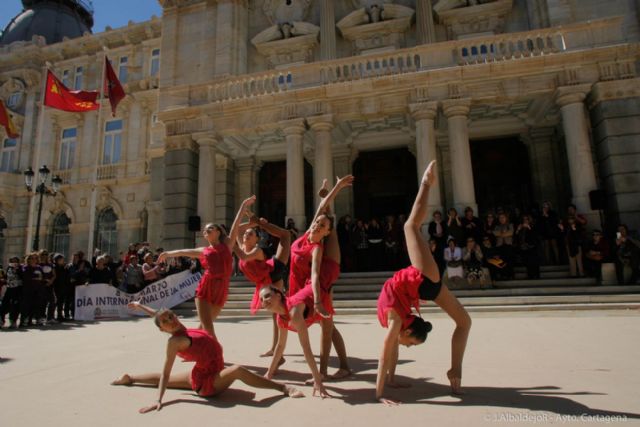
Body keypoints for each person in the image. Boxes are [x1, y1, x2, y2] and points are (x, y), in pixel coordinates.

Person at [376, 161, 471, 405]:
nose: (407, 347)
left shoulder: (398, 323)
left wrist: (382, 393)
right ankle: (455, 371)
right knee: (410, 226)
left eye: (409, 344)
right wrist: (388, 385)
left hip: (428, 285)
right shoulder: (398, 323)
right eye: (411, 344)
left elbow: (385, 356)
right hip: (427, 283)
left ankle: (426, 184)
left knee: (465, 322)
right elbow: (390, 353)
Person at [111, 301, 303, 413]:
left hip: (200, 373)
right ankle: (283, 388)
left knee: (169, 381)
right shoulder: (175, 341)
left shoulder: (178, 327)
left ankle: (130, 378)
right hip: (209, 381)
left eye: (171, 316)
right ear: (162, 330)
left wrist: (140, 305)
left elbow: (158, 314)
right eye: (166, 322)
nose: (172, 320)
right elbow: (165, 372)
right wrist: (158, 400)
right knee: (236, 370)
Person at [158, 196, 253, 338]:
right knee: (208, 326)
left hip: (221, 288)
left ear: (218, 232)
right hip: (205, 287)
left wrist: (243, 205)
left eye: (210, 229)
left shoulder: (227, 245)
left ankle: (189, 345)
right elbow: (184, 252)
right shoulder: (204, 251)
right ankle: (216, 355)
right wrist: (167, 253)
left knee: (204, 325)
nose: (206, 231)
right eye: (205, 230)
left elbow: (235, 224)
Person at [234, 211, 291, 357]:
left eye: (251, 234)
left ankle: (276, 348)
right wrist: (252, 223)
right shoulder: (242, 245)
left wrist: (229, 242)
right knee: (275, 314)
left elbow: (244, 257)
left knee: (286, 236)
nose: (246, 235)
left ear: (257, 239)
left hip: (275, 270)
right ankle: (275, 348)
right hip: (264, 279)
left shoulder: (257, 250)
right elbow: (237, 230)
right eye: (246, 234)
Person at [515, 215, 540, 279]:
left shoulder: (533, 226)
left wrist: (529, 227)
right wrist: (518, 229)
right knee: (527, 262)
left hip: (532, 246)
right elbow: (517, 236)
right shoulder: (521, 227)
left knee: (534, 262)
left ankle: (537, 275)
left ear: (529, 220)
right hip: (524, 247)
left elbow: (536, 236)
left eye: (526, 219)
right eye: (524, 219)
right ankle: (530, 275)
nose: (525, 220)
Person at [0, 257, 23, 329]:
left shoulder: (20, 268)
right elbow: (7, 277)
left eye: (16, 261)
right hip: (9, 289)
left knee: (15, 306)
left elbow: (22, 277)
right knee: (4, 304)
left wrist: (17, 270)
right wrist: (4, 279)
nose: (14, 263)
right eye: (12, 261)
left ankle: (13, 321)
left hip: (17, 289)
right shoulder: (9, 268)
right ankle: (2, 320)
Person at [52, 254, 71, 321]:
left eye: (62, 260)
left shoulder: (64, 267)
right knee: (55, 302)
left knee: (61, 302)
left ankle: (60, 315)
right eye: (60, 260)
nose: (62, 261)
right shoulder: (54, 267)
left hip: (63, 286)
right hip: (56, 286)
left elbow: (67, 276)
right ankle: (51, 316)